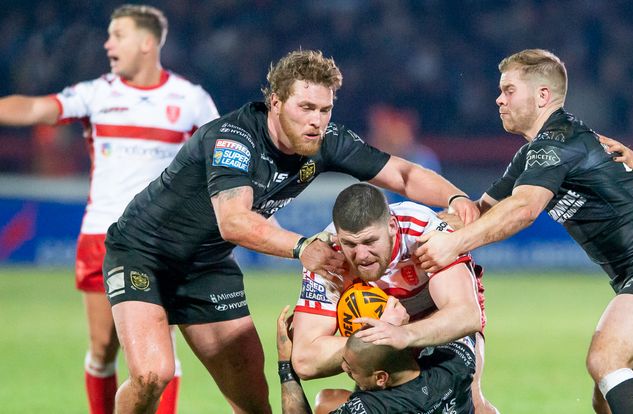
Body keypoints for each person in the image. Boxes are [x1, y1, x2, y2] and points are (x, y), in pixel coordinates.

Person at [101, 49, 479, 413]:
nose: (317, 120)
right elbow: (233, 221)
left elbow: (401, 173)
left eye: (325, 109)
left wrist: (457, 196)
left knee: (252, 399)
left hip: (207, 266)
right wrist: (301, 247)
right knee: (153, 373)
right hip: (143, 252)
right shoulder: (234, 139)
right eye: (306, 108)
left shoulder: (324, 141)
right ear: (276, 104)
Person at [415, 49, 633, 414]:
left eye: (508, 90)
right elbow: (478, 212)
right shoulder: (534, 153)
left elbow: (524, 209)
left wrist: (454, 244)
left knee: (605, 358)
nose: (499, 99)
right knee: (607, 400)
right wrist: (416, 229)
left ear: (542, 96)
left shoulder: (558, 142)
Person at [0, 5, 219, 414]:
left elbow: (223, 162)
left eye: (117, 35)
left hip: (161, 241)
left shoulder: (190, 100)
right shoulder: (96, 93)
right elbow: (35, 109)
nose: (107, 44)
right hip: (102, 234)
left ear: (147, 43)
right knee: (103, 348)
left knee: (159, 352)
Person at [291, 182, 497, 413]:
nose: (361, 255)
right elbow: (305, 361)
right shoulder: (326, 256)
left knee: (471, 402)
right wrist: (383, 334)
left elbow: (466, 315)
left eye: (370, 242)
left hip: (436, 317)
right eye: (350, 244)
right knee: (332, 406)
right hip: (382, 330)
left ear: (391, 226)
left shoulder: (423, 230)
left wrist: (401, 333)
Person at [277, 305, 477, 414]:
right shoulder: (456, 363)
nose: (343, 367)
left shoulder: (372, 408)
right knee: (329, 396)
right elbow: (460, 320)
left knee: (324, 402)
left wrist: (286, 364)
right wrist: (401, 331)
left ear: (381, 378)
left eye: (351, 370)